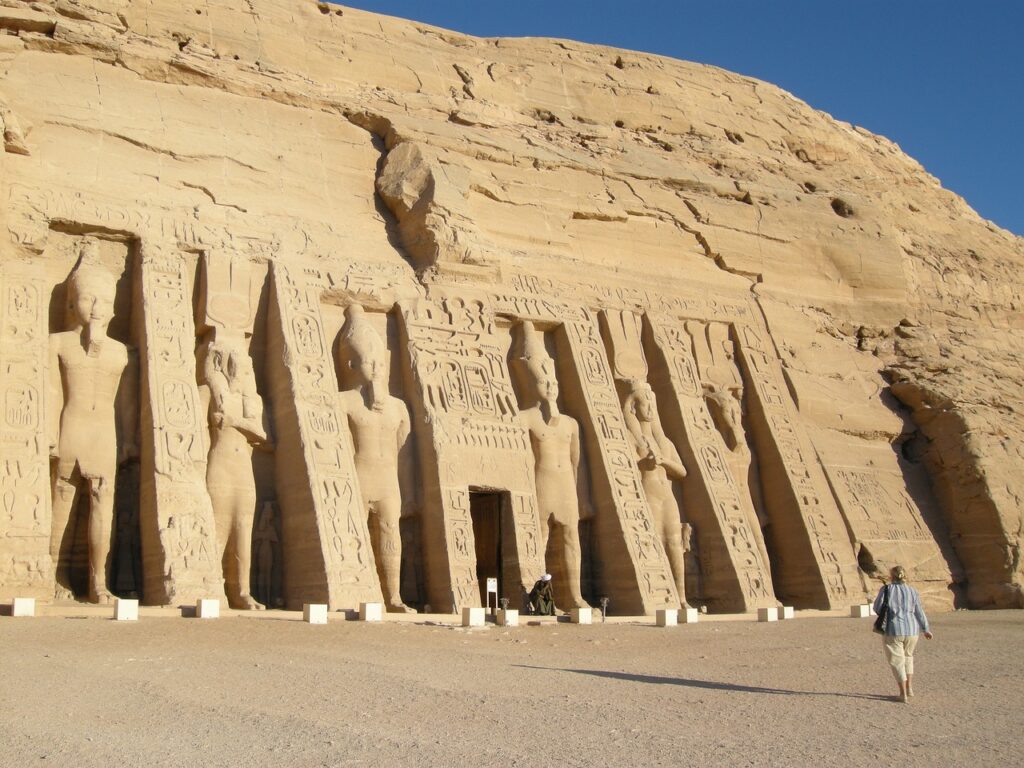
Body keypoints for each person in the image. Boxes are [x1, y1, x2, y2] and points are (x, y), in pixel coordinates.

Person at [873, 565, 933, 703]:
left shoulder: (887, 589)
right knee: (908, 658)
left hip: (893, 629)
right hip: (912, 630)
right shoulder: (913, 591)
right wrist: (926, 629)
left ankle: (903, 694)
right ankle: (910, 688)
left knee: (897, 661)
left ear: (891, 576)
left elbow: (877, 607)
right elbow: (919, 611)